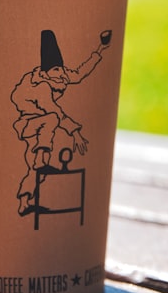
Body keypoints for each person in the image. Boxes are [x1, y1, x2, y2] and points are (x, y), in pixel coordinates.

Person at [10, 29, 109, 217]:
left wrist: (100, 50)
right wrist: (76, 132)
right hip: (29, 124)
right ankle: (41, 159)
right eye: (56, 69)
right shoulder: (40, 86)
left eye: (61, 68)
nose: (61, 73)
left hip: (43, 127)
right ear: (46, 72)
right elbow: (54, 111)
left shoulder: (59, 75)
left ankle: (24, 202)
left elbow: (80, 74)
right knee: (52, 119)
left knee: (35, 170)